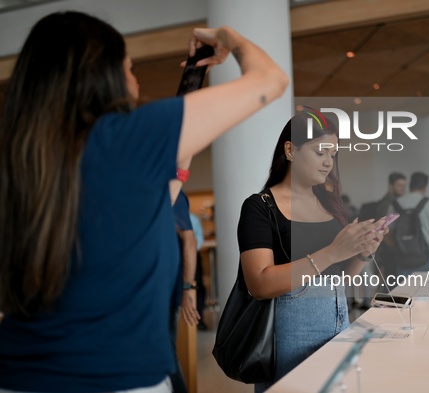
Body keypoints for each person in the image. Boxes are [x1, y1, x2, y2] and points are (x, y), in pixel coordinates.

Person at [0, 11, 288, 393]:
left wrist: (193, 78)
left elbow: (172, 174)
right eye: (129, 67)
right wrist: (228, 35)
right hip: (120, 379)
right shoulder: (126, 139)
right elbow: (271, 79)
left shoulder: (17, 157)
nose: (133, 79)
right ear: (102, 75)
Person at [237, 111, 387, 392]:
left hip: (338, 322)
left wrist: (364, 251)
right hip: (288, 335)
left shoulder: (330, 205)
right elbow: (259, 284)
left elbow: (340, 279)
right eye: (321, 152)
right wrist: (332, 252)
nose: (329, 162)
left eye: (333, 154)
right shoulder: (259, 207)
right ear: (291, 150)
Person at [170, 191, 199, 393]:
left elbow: (189, 241)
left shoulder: (171, 192)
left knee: (166, 355)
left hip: (165, 294)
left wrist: (187, 289)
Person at [393, 172, 429, 275]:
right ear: (425, 187)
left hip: (403, 258)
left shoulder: (396, 203)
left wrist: (401, 247)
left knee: (404, 290)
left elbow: (387, 233)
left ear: (410, 185)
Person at [375, 172, 407, 276]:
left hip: (392, 250)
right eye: (399, 185)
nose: (402, 188)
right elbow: (384, 229)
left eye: (404, 186)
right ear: (391, 185)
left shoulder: (398, 202)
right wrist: (395, 249)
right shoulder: (387, 204)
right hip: (389, 252)